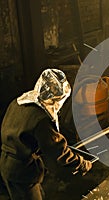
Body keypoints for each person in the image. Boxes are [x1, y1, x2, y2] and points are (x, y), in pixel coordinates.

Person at [0, 69, 92, 200]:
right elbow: (57, 151)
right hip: (22, 171)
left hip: (7, 163)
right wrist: (81, 164)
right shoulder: (40, 119)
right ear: (54, 98)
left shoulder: (19, 102)